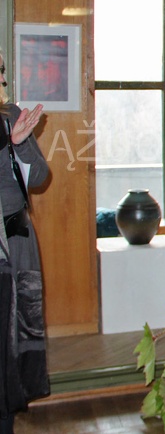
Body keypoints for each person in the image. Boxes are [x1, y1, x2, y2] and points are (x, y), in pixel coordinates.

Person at [0, 52, 51, 434]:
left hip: (14, 248)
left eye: (2, 70)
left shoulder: (10, 115)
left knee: (10, 355)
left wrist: (17, 143)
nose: (2, 78)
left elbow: (39, 177)